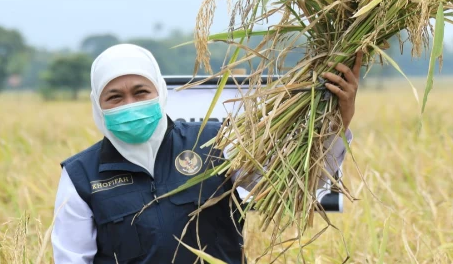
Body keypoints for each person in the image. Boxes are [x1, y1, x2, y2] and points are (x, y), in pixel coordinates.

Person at [52, 44, 361, 264]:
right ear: (98, 105)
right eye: (115, 97)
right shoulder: (81, 176)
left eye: (140, 92)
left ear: (160, 91)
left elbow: (291, 191)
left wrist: (337, 122)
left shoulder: (215, 143)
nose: (130, 104)